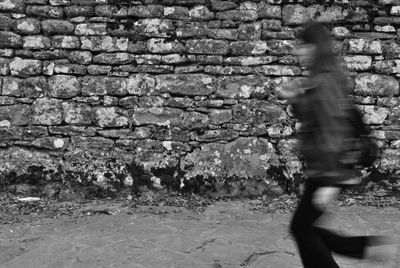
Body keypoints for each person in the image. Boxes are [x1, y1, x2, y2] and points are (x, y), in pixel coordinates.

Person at [277, 22, 398, 268]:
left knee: (302, 228)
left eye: (304, 46)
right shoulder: (321, 78)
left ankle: (367, 247)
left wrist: (331, 180)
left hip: (327, 170)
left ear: (316, 48)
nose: (298, 52)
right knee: (304, 229)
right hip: (322, 168)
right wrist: (297, 100)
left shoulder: (326, 81)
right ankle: (366, 248)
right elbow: (316, 119)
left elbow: (334, 131)